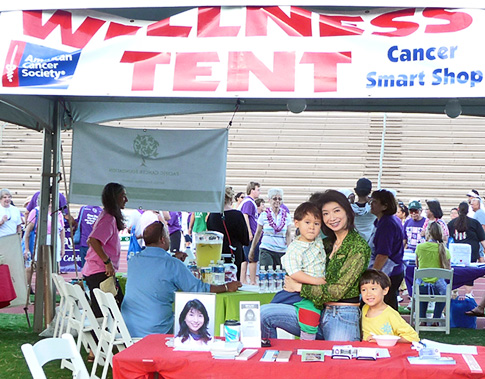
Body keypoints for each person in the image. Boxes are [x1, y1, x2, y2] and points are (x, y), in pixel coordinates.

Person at [261, 190, 371, 341]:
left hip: (342, 315)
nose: (331, 218)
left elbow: (337, 290)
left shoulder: (358, 246)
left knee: (338, 362)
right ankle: (270, 360)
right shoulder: (324, 243)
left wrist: (299, 287)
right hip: (317, 308)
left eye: (336, 211)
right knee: (264, 314)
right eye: (325, 213)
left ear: (348, 211)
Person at [121, 221, 241, 338]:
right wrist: (226, 286)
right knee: (193, 324)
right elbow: (198, 289)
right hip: (157, 329)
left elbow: (153, 269)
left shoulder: (133, 261)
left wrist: (174, 258)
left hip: (128, 327)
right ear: (163, 239)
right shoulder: (172, 264)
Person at [279, 202, 326, 340]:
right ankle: (307, 345)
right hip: (303, 293)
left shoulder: (317, 240)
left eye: (316, 224)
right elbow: (294, 272)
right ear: (296, 223)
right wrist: (316, 281)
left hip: (316, 290)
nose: (312, 227)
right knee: (310, 318)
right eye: (307, 222)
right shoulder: (295, 248)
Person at [82, 183, 127, 317]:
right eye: (123, 196)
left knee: (105, 309)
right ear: (115, 198)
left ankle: (100, 335)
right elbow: (93, 240)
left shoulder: (107, 217)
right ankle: (100, 336)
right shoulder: (108, 219)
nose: (126, 199)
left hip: (97, 271)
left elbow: (92, 240)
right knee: (108, 310)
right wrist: (107, 262)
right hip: (100, 273)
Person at [369, 189, 404, 311]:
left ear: (384, 206)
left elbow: (383, 254)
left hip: (388, 271)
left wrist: (372, 274)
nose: (371, 204)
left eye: (375, 202)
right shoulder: (385, 220)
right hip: (393, 270)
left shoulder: (387, 224)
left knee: (384, 308)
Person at [360, 269, 419, 343]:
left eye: (373, 289)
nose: (368, 293)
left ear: (385, 290)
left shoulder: (390, 314)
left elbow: (413, 337)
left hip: (385, 353)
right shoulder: (365, 308)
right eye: (364, 290)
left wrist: (383, 340)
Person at [206, 186, 249, 280]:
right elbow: (245, 238)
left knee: (217, 280)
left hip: (217, 252)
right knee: (233, 279)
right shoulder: (237, 215)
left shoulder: (212, 216)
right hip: (234, 251)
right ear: (231, 198)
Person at [415, 222, 451, 326]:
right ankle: (436, 318)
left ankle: (422, 318)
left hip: (422, 287)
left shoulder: (420, 247)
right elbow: (448, 269)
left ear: (428, 233)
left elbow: (417, 265)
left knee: (421, 289)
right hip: (438, 288)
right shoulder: (445, 250)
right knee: (444, 291)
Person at [447, 201, 485, 295]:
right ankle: (468, 295)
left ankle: (453, 294)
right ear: (468, 211)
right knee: (469, 275)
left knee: (454, 274)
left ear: (458, 210)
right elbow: (483, 240)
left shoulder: (452, 223)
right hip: (471, 254)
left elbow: (445, 239)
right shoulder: (474, 223)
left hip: (455, 255)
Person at [249, 188, 291, 270]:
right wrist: (252, 249)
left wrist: (289, 251)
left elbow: (288, 234)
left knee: (280, 278)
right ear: (269, 200)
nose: (277, 201)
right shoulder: (264, 215)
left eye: (280, 199)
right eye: (274, 198)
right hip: (267, 249)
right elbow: (258, 233)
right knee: (267, 275)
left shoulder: (287, 216)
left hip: (282, 251)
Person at [238, 181, 261, 285]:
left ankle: (243, 279)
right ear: (252, 190)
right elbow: (245, 216)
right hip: (251, 233)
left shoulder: (249, 202)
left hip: (251, 232)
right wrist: (249, 232)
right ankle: (252, 280)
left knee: (246, 258)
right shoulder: (249, 202)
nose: (259, 192)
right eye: (257, 190)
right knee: (252, 257)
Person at [351, 177, 376, 243]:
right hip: (370, 240)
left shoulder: (349, 208)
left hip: (354, 240)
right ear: (370, 191)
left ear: (355, 191)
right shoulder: (374, 208)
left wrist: (350, 202)